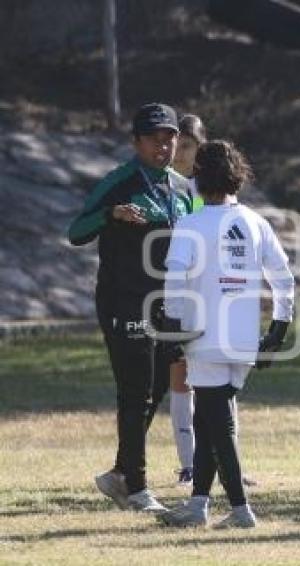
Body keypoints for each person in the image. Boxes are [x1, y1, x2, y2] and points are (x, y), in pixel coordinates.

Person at [157, 139, 295, 528]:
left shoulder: (190, 224)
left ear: (198, 177)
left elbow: (174, 279)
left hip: (204, 339)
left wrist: (173, 329)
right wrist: (278, 329)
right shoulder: (256, 222)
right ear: (238, 177)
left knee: (219, 424)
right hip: (244, 341)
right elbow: (284, 279)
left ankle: (240, 509)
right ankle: (198, 505)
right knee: (207, 419)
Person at [67, 103, 193, 512]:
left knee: (157, 387)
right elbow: (76, 231)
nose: (163, 146)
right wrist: (111, 214)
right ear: (136, 142)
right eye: (154, 139)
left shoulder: (183, 188)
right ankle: (137, 490)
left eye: (170, 138)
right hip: (124, 301)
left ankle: (121, 473)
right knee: (136, 389)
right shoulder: (118, 182)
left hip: (167, 302)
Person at [168, 113, 207, 485]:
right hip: (178, 291)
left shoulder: (211, 190)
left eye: (188, 145)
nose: (180, 152)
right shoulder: (164, 187)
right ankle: (188, 463)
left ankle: (223, 458)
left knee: (218, 378)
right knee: (180, 376)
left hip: (211, 292)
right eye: (176, 144)